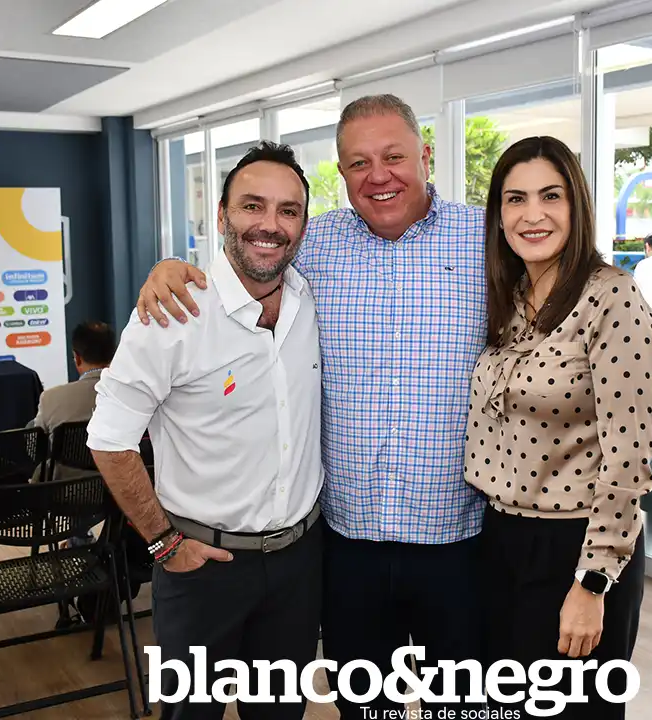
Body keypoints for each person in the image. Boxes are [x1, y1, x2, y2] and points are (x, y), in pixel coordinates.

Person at [135, 95, 487, 719]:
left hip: (457, 540)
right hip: (345, 545)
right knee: (364, 708)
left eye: (393, 156)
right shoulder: (313, 243)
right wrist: (169, 267)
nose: (378, 176)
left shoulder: (487, 241)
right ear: (342, 173)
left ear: (426, 156)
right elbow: (246, 258)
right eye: (358, 163)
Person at [86, 142, 324, 720]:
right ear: (221, 216)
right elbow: (109, 438)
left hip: (298, 563)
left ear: (304, 224)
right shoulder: (173, 313)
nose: (270, 225)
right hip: (202, 568)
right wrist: (162, 542)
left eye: (288, 210)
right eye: (252, 206)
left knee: (281, 716)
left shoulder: (311, 294)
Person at [466, 137, 652, 718]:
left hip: (576, 548)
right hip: (499, 540)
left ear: (577, 206)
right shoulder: (511, 298)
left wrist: (592, 583)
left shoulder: (613, 298)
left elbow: (629, 459)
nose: (533, 214)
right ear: (499, 214)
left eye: (551, 196)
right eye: (515, 198)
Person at [29, 320, 116, 483]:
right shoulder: (135, 396)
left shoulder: (51, 398)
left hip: (65, 491)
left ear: (77, 358)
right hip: (120, 490)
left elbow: (34, 449)